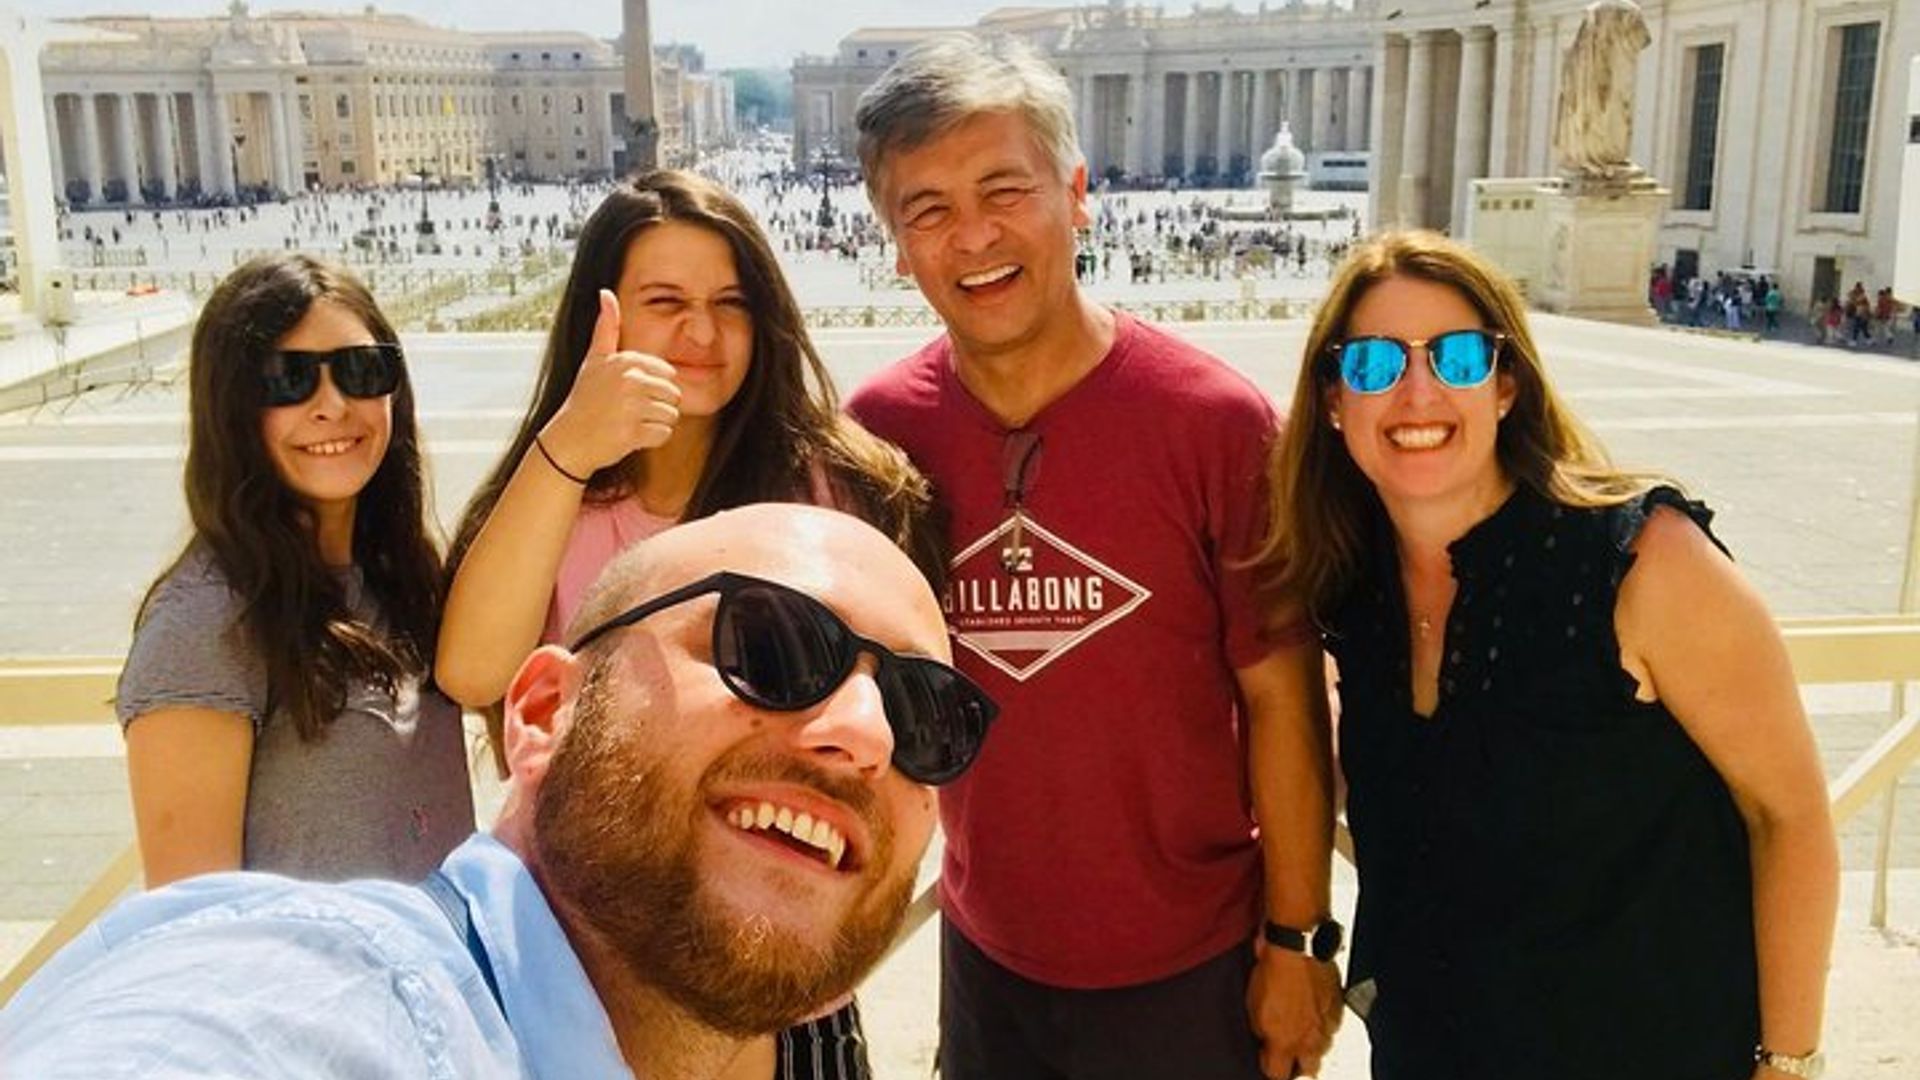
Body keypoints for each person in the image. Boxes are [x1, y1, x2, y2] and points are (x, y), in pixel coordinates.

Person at [2, 505, 997, 1079]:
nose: (866, 737)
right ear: (544, 714)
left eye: (927, 719)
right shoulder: (321, 1001)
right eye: (772, 648)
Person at [848, 35, 1340, 1080]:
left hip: (1194, 963)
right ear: (895, 245)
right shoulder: (881, 434)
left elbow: (1284, 697)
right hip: (989, 961)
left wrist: (1300, 940)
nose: (973, 234)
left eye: (1004, 188)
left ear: (1077, 194)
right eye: (926, 210)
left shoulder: (1213, 421)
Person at [1255, 230, 1839, 1079]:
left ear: (1507, 385)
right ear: (1335, 399)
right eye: (1376, 364)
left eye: (1456, 358)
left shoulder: (1644, 563)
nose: (1418, 393)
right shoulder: (1344, 597)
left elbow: (1790, 816)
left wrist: (1788, 1065)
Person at [437, 169, 930, 1079]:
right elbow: (472, 671)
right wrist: (570, 449)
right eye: (667, 302)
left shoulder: (824, 495)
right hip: (583, 974)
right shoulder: (561, 495)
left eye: (730, 304)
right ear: (602, 314)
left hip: (778, 969)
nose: (702, 335)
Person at [115, 252, 471, 887]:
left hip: (431, 979)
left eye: (362, 371)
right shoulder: (206, 626)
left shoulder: (400, 578)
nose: (332, 406)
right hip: (308, 985)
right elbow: (193, 917)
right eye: (286, 380)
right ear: (231, 409)